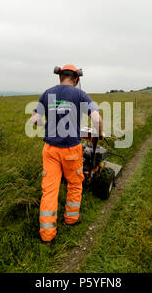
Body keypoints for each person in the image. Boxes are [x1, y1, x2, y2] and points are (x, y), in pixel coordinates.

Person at [30, 64, 103, 242]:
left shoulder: (47, 93)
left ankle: (47, 234)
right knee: (75, 183)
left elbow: (34, 119)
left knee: (49, 189)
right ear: (76, 79)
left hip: (50, 150)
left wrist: (48, 125)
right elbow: (96, 118)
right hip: (71, 149)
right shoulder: (80, 94)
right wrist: (100, 133)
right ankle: (71, 218)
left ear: (60, 77)